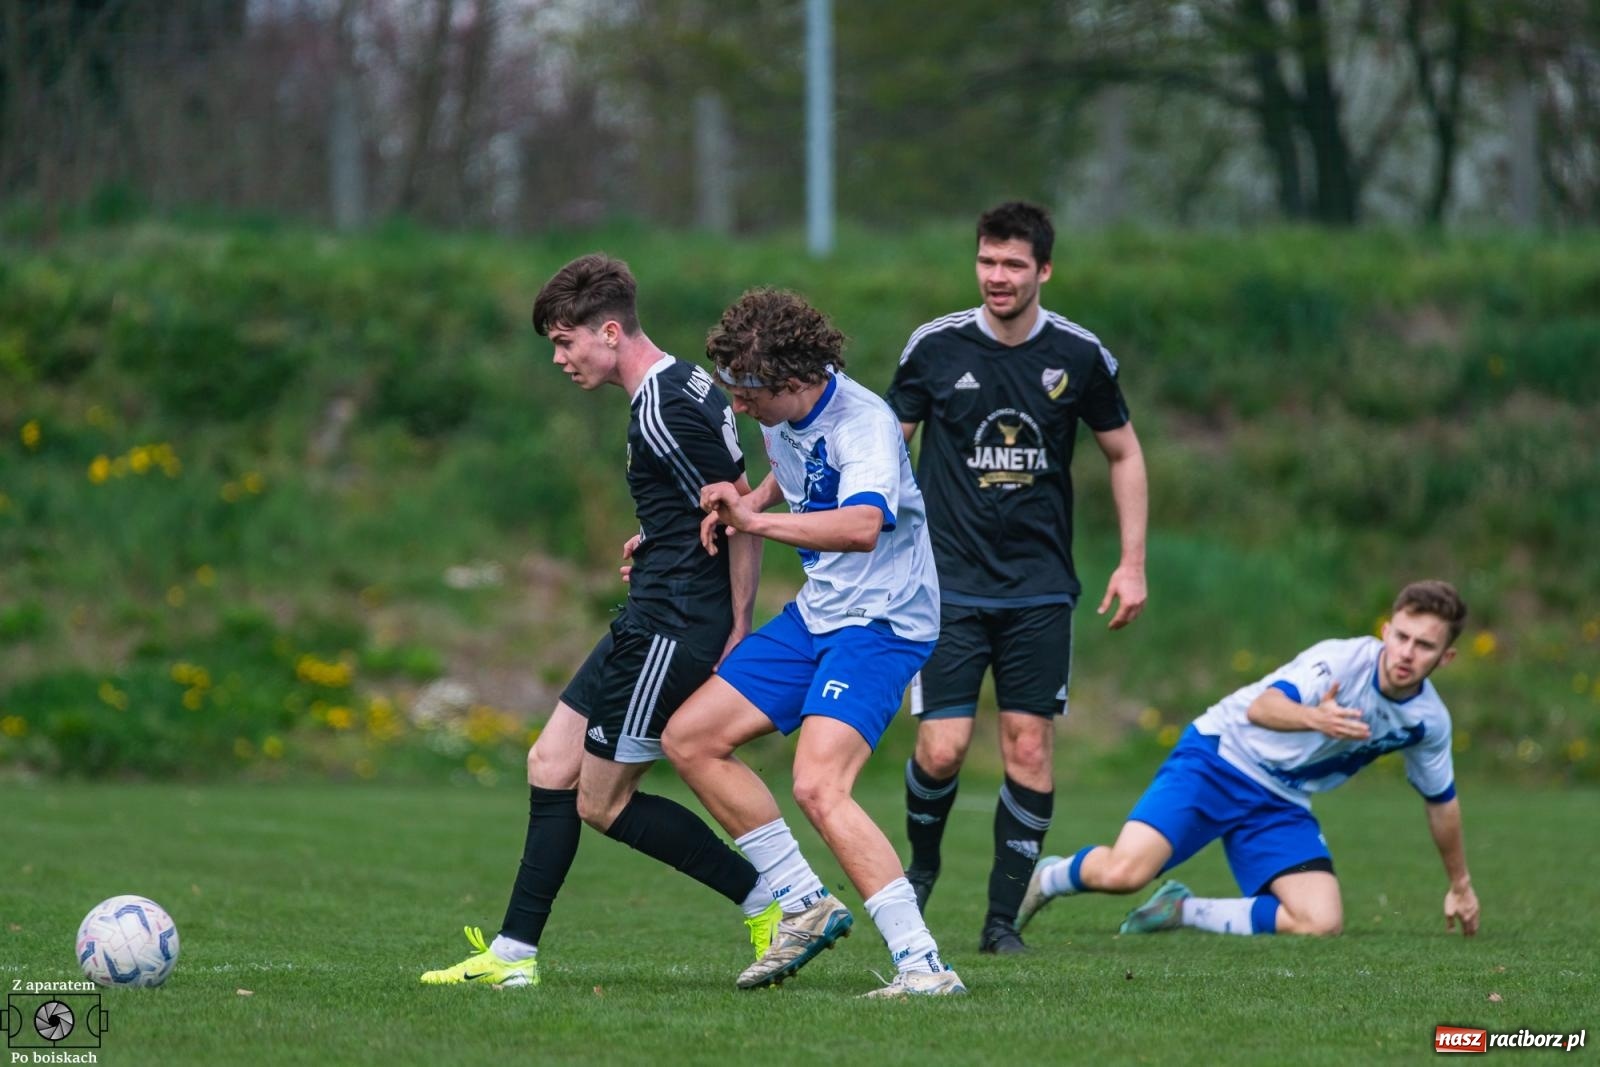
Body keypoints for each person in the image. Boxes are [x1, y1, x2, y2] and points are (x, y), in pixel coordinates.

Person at [420, 253, 779, 988]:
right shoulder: (682, 382)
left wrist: (739, 625)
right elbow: (707, 501)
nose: (560, 358)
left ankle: (769, 899)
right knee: (550, 763)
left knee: (603, 802)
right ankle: (513, 956)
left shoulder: (662, 408)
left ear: (609, 332)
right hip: (652, 607)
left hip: (674, 622)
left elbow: (739, 512)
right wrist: (658, 536)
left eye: (565, 342)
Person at [662, 289, 966, 999]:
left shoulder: (865, 423)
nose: (739, 404)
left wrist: (755, 524)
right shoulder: (783, 413)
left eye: (747, 390)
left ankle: (923, 966)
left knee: (818, 785)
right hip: (819, 612)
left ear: (795, 378)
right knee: (691, 738)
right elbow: (796, 466)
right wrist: (752, 501)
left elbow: (860, 525)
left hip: (883, 621)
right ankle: (805, 900)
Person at [885, 200, 1149, 954]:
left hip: (1039, 587)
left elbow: (1125, 453)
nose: (996, 276)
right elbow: (884, 445)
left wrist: (1132, 564)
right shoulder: (935, 346)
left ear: (1044, 270)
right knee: (942, 748)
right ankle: (922, 866)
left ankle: (1001, 921)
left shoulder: (1079, 355)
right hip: (945, 583)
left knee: (1028, 747)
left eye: (1012, 264)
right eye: (986, 261)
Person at [1017, 580, 1481, 940]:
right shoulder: (1339, 662)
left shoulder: (1428, 721)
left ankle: (1180, 909)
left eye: (1424, 645)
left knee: (1320, 922)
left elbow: (1441, 803)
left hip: (1281, 800)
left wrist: (1460, 886)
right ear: (1386, 631)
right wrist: (1315, 718)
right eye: (1401, 636)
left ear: (1446, 657)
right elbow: (1263, 708)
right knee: (1124, 874)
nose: (1406, 653)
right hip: (1218, 759)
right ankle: (1049, 877)